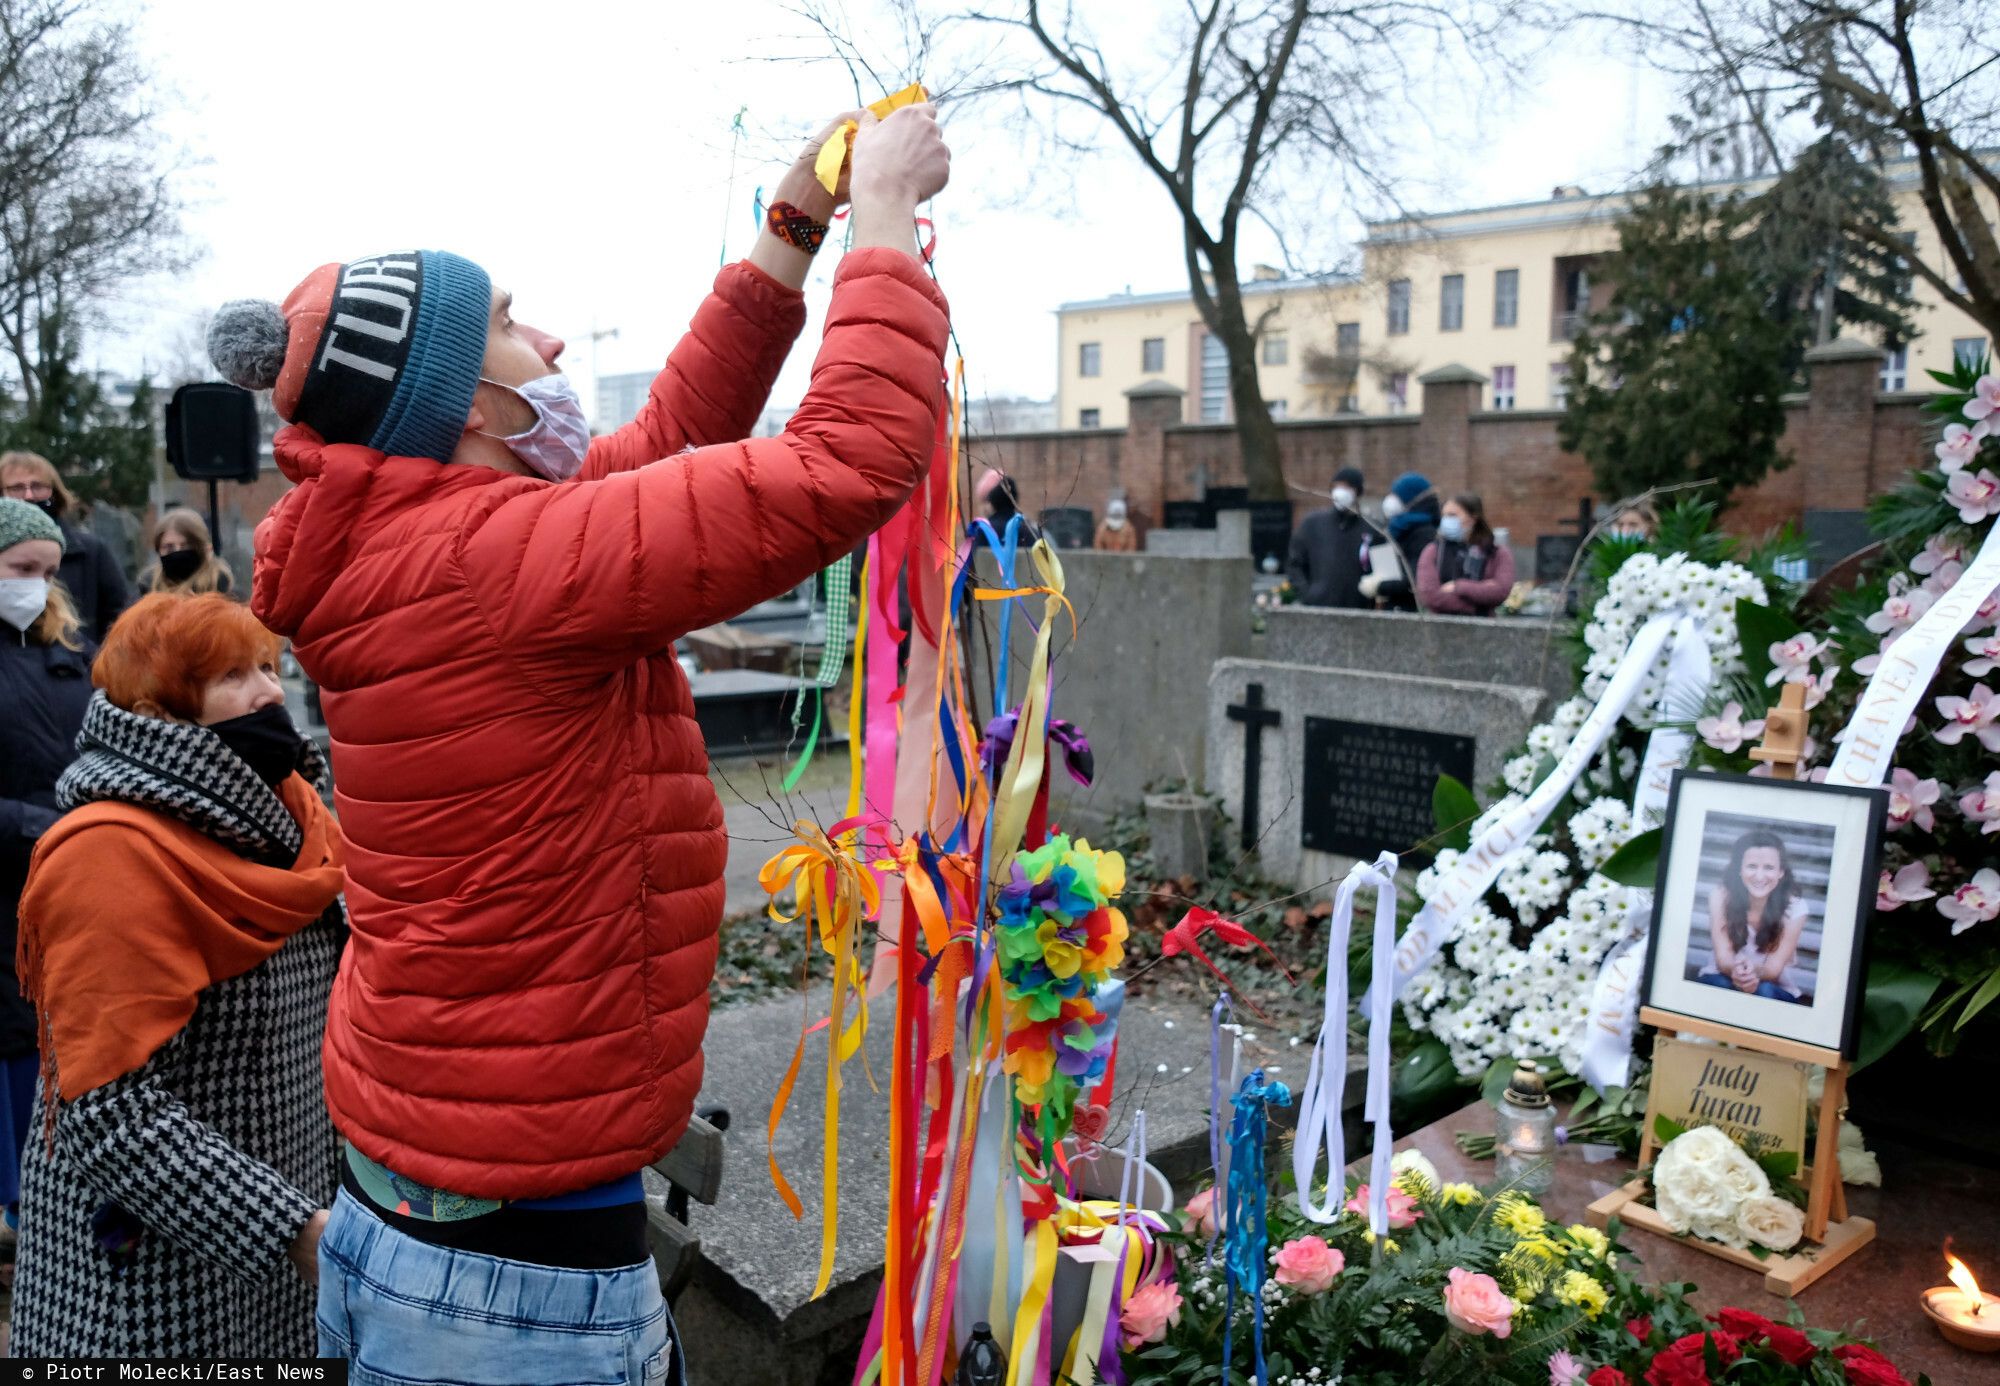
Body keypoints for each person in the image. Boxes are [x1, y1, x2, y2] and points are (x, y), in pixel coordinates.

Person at [203, 104, 950, 1375]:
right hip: (514, 1267)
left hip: (441, 1183)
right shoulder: (497, 560)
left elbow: (664, 449)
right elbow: (845, 461)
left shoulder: (423, 542)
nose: (545, 338)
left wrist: (792, 228)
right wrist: (885, 229)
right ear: (463, 403)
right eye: (507, 322)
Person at [9, 592, 344, 1355]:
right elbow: (108, 1116)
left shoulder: (293, 818)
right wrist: (293, 1230)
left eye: (268, 666)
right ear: (163, 709)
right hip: (153, 1272)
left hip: (286, 1253)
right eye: (233, 677)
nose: (268, 692)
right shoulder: (109, 853)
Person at [0, 500, 94, 1235]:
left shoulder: (70, 655)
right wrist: (42, 827)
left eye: (48, 573)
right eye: (20, 570)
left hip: (66, 879)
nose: (36, 585)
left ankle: (43, 1202)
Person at [0, 451, 132, 641]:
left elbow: (121, 617)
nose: (29, 496)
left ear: (54, 492)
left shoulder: (91, 551)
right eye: (17, 488)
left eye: (37, 486)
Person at [1696, 828, 1808, 1004]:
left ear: (1781, 873)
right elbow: (1723, 958)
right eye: (1752, 866)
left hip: (1773, 986)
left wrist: (1751, 972)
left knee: (1764, 992)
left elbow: (1773, 969)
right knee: (1719, 984)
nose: (1760, 876)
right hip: (1724, 975)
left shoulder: (1796, 907)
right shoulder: (1720, 896)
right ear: (1739, 869)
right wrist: (1737, 970)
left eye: (1769, 868)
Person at [1286, 466, 1383, 609]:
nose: (1340, 492)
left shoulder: (1371, 528)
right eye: (1337, 486)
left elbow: (1381, 568)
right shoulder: (1312, 524)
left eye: (1347, 487)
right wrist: (1308, 594)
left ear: (1358, 492)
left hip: (1357, 607)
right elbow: (1294, 563)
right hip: (1319, 605)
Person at [1417, 493, 1516, 617]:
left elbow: (1500, 591)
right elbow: (1432, 597)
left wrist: (1458, 586)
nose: (1446, 520)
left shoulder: (1496, 553)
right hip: (1440, 627)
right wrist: (1480, 604)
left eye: (1452, 515)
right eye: (1444, 515)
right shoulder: (1433, 551)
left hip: (1484, 631)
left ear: (1473, 518)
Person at [1361, 470, 1439, 610]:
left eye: (1395, 495)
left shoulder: (1424, 534)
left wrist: (1381, 586)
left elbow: (1415, 577)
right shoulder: (1392, 529)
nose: (1390, 499)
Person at [142, 508, 235, 596]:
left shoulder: (223, 588)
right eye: (169, 547)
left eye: (186, 545)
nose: (177, 552)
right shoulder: (147, 586)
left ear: (203, 547)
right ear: (158, 550)